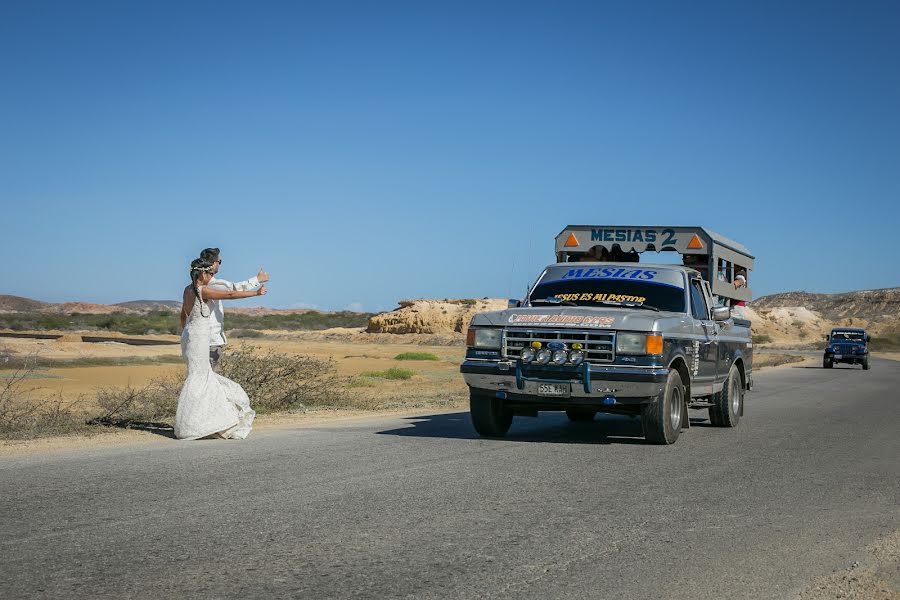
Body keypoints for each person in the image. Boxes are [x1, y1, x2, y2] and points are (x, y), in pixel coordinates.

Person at [175, 258, 266, 440]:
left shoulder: (187, 290)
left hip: (189, 335)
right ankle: (200, 423)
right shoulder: (203, 290)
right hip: (199, 337)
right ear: (202, 274)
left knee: (198, 375)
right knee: (201, 377)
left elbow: (183, 315)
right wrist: (255, 293)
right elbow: (230, 295)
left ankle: (198, 421)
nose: (212, 276)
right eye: (210, 273)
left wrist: (186, 333)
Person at [198, 247, 269, 371]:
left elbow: (184, 315)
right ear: (214, 264)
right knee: (211, 381)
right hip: (210, 341)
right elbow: (232, 290)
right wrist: (257, 280)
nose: (219, 264)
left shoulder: (191, 287)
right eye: (219, 261)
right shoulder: (210, 284)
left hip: (201, 340)